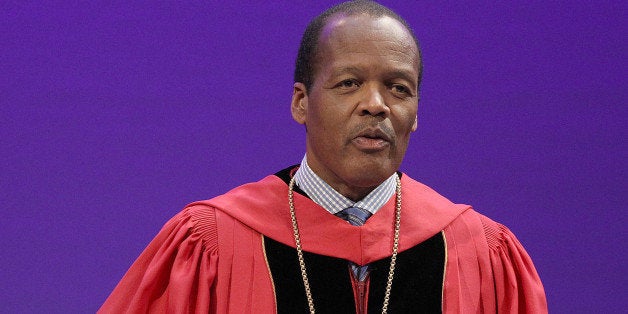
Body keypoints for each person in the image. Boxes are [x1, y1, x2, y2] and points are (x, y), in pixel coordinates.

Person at [99, 1, 547, 313]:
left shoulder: (480, 254)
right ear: (301, 103)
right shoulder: (209, 245)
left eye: (399, 88)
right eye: (349, 83)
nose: (377, 104)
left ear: (415, 114)